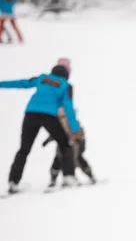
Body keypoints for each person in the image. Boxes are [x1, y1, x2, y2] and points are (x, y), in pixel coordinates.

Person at [0, 64, 81, 194]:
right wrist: (75, 129)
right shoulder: (66, 85)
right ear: (66, 75)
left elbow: (22, 83)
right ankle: (68, 177)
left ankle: (13, 182)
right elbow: (68, 107)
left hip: (30, 113)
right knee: (65, 144)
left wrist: (1, 84)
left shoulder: (42, 78)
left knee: (24, 149)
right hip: (49, 115)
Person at [43, 58, 96, 187]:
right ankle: (55, 178)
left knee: (76, 156)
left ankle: (87, 175)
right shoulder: (59, 110)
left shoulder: (66, 109)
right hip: (67, 137)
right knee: (61, 157)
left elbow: (72, 124)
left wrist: (78, 136)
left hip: (74, 137)